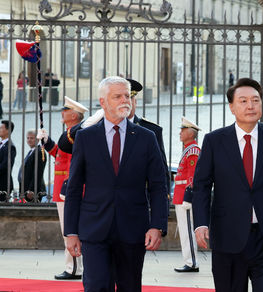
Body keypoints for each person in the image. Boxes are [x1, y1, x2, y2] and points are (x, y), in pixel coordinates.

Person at [192, 78, 263, 291]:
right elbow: (202, 186)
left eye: (255, 100)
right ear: (232, 107)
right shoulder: (215, 141)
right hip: (228, 235)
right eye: (243, 101)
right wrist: (200, 223)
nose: (250, 106)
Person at [63, 76, 169, 291]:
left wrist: (157, 225)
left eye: (127, 96)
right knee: (96, 286)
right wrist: (71, 232)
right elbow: (73, 188)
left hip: (133, 229)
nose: (125, 100)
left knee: (129, 286)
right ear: (103, 102)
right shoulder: (86, 137)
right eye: (117, 96)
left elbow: (158, 186)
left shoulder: (146, 137)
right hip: (94, 229)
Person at [38, 96, 88, 280]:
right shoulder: (69, 133)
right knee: (68, 230)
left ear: (74, 115)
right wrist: (46, 141)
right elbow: (60, 156)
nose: (62, 112)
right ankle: (74, 266)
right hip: (62, 189)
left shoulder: (74, 134)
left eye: (66, 110)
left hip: (68, 190)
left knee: (70, 230)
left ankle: (74, 268)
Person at [173, 117, 202, 273]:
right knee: (184, 231)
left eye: (183, 130)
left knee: (188, 231)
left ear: (191, 133)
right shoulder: (188, 149)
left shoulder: (193, 151)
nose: (180, 133)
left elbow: (193, 177)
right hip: (180, 195)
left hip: (185, 196)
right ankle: (189, 261)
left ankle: (192, 263)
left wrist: (188, 197)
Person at [19, 129, 47, 202]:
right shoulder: (32, 151)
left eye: (31, 138)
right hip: (26, 190)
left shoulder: (40, 151)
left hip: (32, 192)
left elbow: (38, 172)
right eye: (27, 138)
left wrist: (31, 190)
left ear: (37, 139)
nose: (29, 140)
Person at [0, 120, 16, 200]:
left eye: (1, 128)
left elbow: (5, 165)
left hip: (3, 184)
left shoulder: (10, 147)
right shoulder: (2, 145)